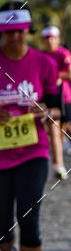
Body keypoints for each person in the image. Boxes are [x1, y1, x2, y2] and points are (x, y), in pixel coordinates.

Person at [0, 4, 59, 251]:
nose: (14, 40)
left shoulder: (44, 64)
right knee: (1, 224)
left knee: (29, 219)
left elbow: (59, 108)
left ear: (27, 32)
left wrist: (46, 111)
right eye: (7, 34)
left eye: (19, 33)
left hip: (34, 152)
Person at [41, 26, 71, 180]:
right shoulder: (40, 56)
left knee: (62, 131)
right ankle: (57, 164)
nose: (50, 40)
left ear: (58, 39)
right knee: (53, 130)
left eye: (53, 37)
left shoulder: (63, 54)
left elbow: (70, 73)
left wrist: (54, 74)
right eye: (47, 38)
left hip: (64, 98)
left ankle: (57, 162)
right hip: (47, 98)